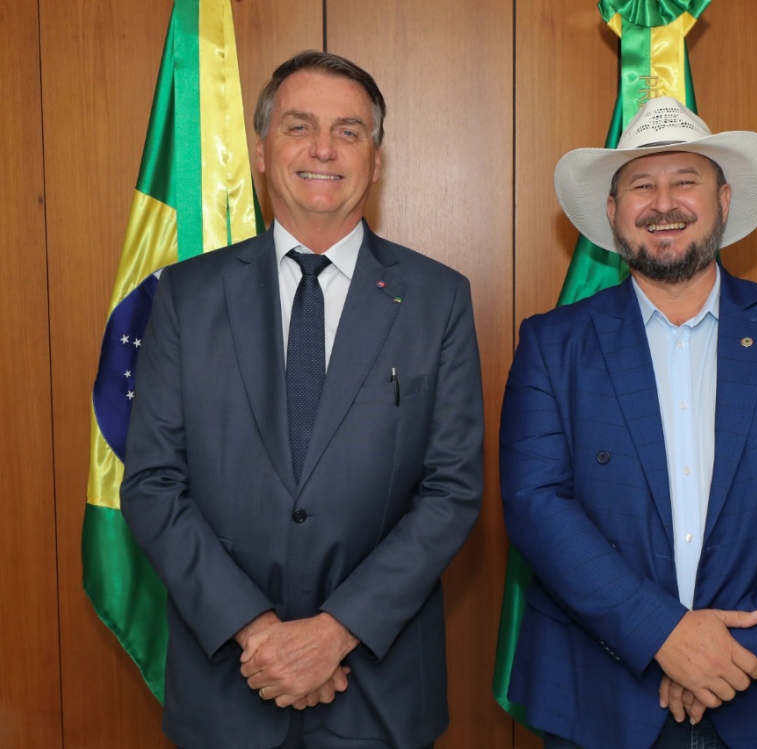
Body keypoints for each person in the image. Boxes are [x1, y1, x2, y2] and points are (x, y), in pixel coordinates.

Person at [120, 50, 484, 749]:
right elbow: (153, 484)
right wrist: (260, 635)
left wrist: (333, 633)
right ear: (260, 150)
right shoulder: (186, 296)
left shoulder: (438, 298)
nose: (324, 148)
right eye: (299, 127)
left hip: (377, 691)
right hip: (230, 682)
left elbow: (452, 490)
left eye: (349, 131)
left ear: (376, 161)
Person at [499, 96, 757, 749]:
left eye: (686, 181)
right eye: (641, 186)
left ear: (725, 200)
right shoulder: (552, 344)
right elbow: (535, 503)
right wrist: (664, 635)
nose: (664, 202)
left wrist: (735, 650)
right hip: (601, 693)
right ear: (614, 213)